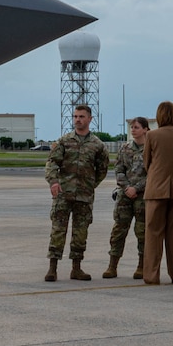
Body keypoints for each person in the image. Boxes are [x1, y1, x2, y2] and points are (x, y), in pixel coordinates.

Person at [43, 103, 109, 281]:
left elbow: (102, 169)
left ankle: (76, 268)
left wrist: (89, 185)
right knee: (58, 230)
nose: (77, 120)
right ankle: (52, 268)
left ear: (89, 119)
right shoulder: (64, 141)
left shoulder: (98, 145)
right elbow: (52, 163)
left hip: (84, 196)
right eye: (75, 116)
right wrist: (54, 182)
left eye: (81, 117)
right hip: (63, 194)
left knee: (81, 233)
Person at [140, 102, 173, 285]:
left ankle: (151, 275)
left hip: (156, 188)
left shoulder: (151, 135)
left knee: (153, 233)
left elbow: (146, 162)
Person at [104, 118, 149, 278]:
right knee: (119, 230)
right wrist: (126, 187)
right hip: (124, 195)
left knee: (142, 231)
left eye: (136, 127)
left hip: (142, 196)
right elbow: (118, 169)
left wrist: (136, 188)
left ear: (145, 129)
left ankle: (142, 266)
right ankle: (112, 265)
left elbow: (153, 173)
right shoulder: (125, 148)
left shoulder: (150, 148)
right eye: (132, 127)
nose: (133, 130)